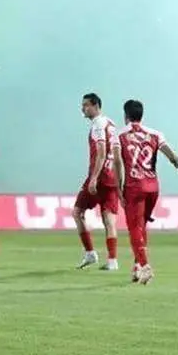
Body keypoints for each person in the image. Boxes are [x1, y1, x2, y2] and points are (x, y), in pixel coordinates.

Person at [115, 98, 178, 285]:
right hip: (152, 187)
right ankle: (137, 266)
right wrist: (177, 161)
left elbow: (118, 163)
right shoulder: (154, 133)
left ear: (126, 115)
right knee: (141, 226)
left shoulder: (119, 135)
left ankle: (145, 267)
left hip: (134, 187)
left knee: (134, 228)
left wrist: (119, 188)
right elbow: (167, 150)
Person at [72, 93, 122, 271]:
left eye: (86, 105)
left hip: (99, 176)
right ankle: (112, 260)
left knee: (77, 212)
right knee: (109, 220)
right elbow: (116, 153)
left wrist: (93, 178)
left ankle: (90, 253)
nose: (83, 108)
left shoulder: (98, 125)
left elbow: (101, 152)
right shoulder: (111, 124)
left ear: (96, 106)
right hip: (111, 177)